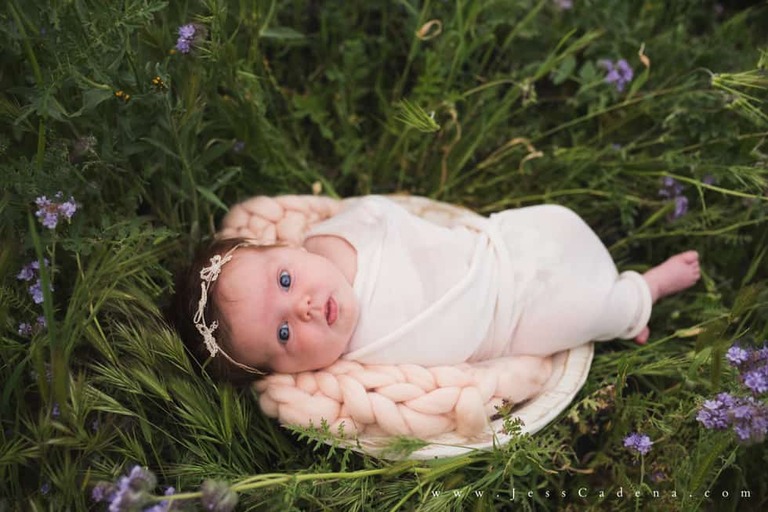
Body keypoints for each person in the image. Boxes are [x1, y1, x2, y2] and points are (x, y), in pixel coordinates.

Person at [170, 195, 700, 384]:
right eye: (284, 332)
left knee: (557, 224)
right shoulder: (352, 369)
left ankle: (614, 294)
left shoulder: (332, 236)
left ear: (291, 248)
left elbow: (388, 219)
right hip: (511, 320)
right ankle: (643, 292)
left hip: (494, 252)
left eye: (285, 280)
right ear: (285, 373)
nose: (304, 307)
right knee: (583, 311)